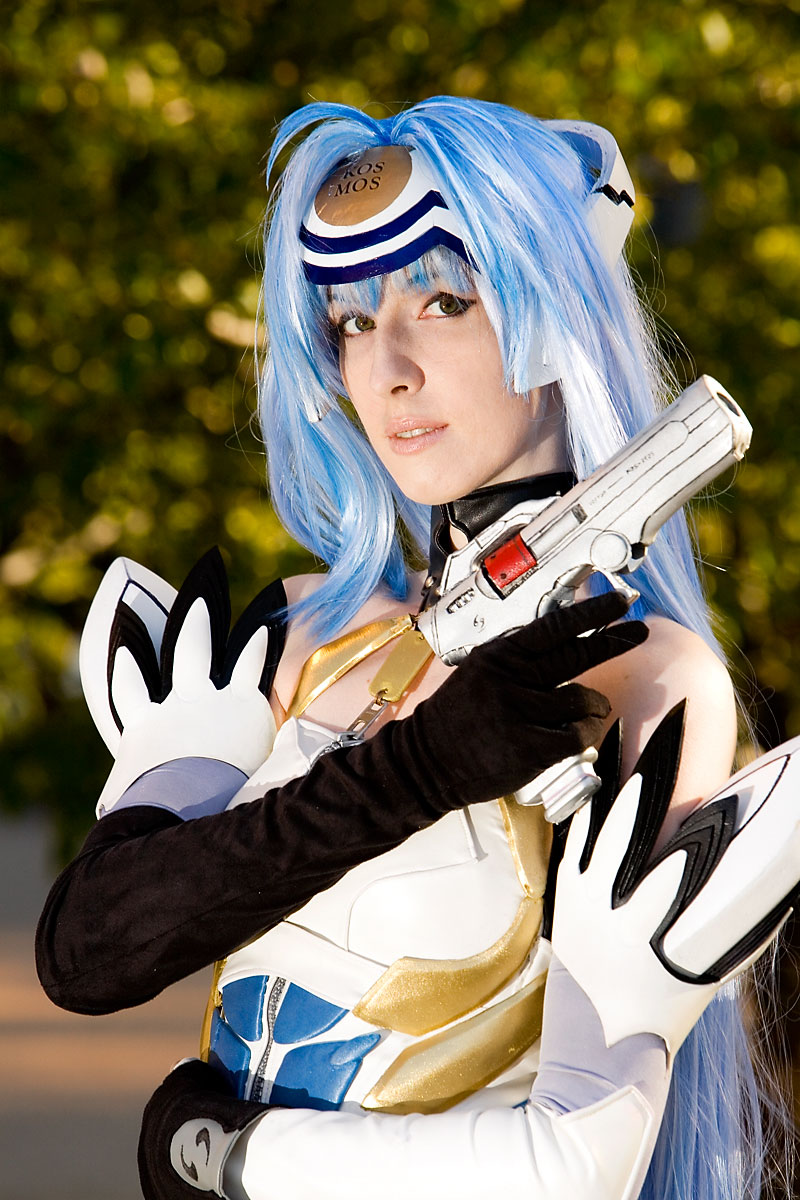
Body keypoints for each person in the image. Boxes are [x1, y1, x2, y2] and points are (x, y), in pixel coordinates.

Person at [36, 97, 789, 1199]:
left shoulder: (647, 677)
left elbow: (576, 1161)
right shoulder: (304, 632)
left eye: (444, 302)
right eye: (349, 321)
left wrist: (231, 1157)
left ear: (552, 316)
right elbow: (89, 951)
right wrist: (414, 772)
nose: (386, 368)